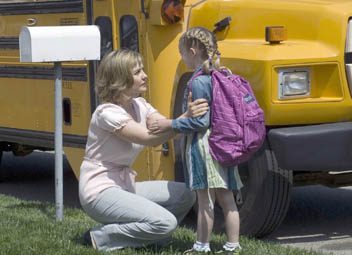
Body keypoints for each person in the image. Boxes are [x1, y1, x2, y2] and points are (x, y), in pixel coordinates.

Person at [78, 49, 209, 251]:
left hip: (124, 186)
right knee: (166, 222)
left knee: (187, 195)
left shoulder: (139, 104)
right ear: (120, 79)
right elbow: (148, 138)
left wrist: (185, 119)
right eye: (138, 72)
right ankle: (100, 237)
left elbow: (162, 125)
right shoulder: (107, 113)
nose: (145, 75)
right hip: (98, 193)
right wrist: (185, 119)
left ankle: (152, 237)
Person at [148, 27, 243, 254]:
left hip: (204, 146)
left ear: (192, 51)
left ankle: (201, 247)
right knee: (227, 198)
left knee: (204, 201)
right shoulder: (220, 74)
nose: (181, 58)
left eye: (181, 53)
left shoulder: (198, 81)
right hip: (225, 143)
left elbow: (200, 122)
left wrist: (169, 124)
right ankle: (233, 245)